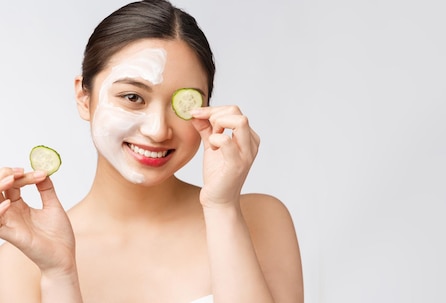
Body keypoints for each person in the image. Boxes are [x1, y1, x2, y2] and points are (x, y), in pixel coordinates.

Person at [0, 0, 303, 302]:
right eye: (133, 97)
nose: (158, 130)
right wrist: (59, 273)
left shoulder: (259, 219)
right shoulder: (24, 259)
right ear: (83, 97)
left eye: (184, 104)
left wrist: (222, 208)